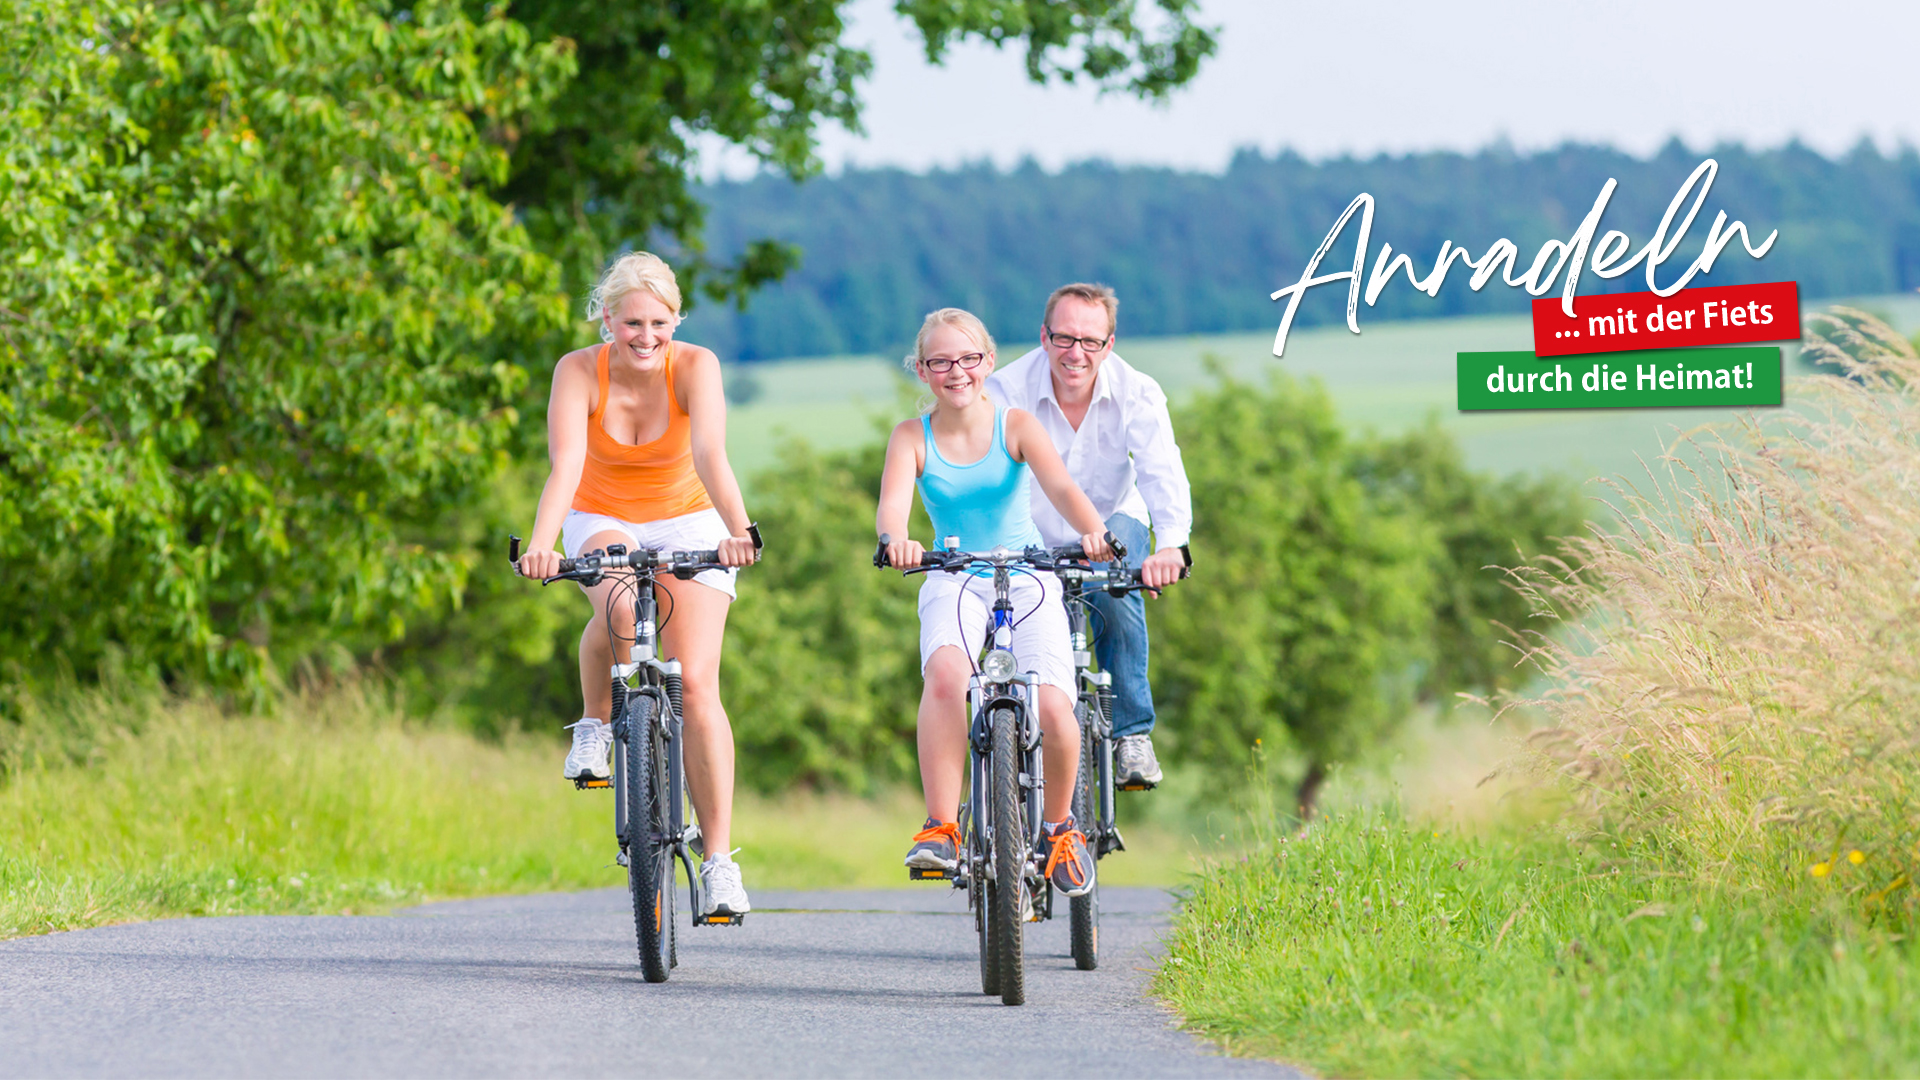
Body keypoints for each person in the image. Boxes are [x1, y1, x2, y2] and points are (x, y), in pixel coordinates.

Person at [515, 251, 760, 921]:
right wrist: (541, 544)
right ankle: (596, 724)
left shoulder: (696, 366)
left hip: (691, 514)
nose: (647, 337)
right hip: (602, 513)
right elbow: (566, 463)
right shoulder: (576, 371)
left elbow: (711, 454)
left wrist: (739, 530)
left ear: (676, 319)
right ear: (606, 320)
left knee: (697, 682)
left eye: (659, 323)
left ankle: (718, 864)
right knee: (617, 603)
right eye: (632, 324)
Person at [877, 307, 1115, 898]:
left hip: (1028, 572)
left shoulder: (1015, 425)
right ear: (923, 371)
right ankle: (943, 825)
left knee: (1057, 706)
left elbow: (1060, 488)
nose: (955, 372)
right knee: (946, 676)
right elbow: (891, 509)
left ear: (988, 362)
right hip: (953, 574)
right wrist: (896, 541)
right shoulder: (912, 437)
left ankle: (1060, 828)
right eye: (940, 362)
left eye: (967, 359)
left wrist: (1094, 535)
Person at [985, 283, 1192, 791]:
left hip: (1113, 520)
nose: (1076, 353)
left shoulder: (1137, 392)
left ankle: (1131, 735)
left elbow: (1162, 473)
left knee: (1113, 589)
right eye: (1064, 338)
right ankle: (1003, 730)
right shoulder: (1005, 391)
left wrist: (1170, 544)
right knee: (1001, 613)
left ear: (1109, 344)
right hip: (1027, 531)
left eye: (1090, 341)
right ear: (1044, 336)